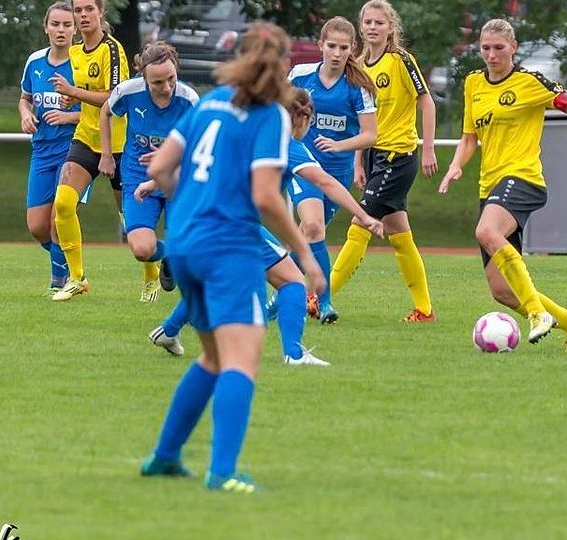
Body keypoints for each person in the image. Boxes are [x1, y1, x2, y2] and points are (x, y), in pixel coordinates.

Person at [138, 23, 326, 493]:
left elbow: (159, 167)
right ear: (283, 66)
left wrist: (189, 206)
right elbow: (265, 196)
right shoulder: (271, 115)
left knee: (214, 357)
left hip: (184, 242)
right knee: (241, 359)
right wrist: (305, 255)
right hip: (229, 248)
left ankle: (164, 457)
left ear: (238, 57)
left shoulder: (209, 103)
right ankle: (222, 471)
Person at [147, 88, 384, 366]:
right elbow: (325, 182)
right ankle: (293, 354)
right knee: (292, 281)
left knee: (214, 282)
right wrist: (364, 216)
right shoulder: (286, 145)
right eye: (310, 120)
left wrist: (152, 183)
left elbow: (201, 162)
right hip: (234, 223)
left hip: (203, 216)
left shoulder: (247, 132)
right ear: (302, 118)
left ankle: (169, 330)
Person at [439, 19, 567, 352]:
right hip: (490, 186)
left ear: (513, 47)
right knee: (502, 291)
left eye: (499, 48)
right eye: (485, 48)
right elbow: (469, 138)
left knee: (486, 231)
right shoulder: (473, 83)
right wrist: (456, 166)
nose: (492, 55)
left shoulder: (530, 82)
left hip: (523, 178)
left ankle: (538, 314)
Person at [330, 0, 439, 323]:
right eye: (368, 22)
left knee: (360, 223)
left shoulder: (400, 60)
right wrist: (358, 162)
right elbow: (363, 121)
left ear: (391, 27)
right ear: (361, 26)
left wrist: (428, 148)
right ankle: (424, 310)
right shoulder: (358, 65)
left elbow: (427, 103)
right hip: (374, 156)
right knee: (400, 235)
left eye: (379, 22)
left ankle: (319, 297)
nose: (373, 27)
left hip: (398, 157)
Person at [287, 16, 378, 324]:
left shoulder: (357, 86)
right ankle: (325, 303)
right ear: (320, 45)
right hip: (302, 164)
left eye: (343, 48)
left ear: (353, 49)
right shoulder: (300, 76)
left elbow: (370, 135)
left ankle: (282, 297)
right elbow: (277, 109)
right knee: (313, 227)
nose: (337, 53)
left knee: (305, 236)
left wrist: (339, 146)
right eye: (331, 46)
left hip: (337, 172)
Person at [99, 42, 199, 302]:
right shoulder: (128, 91)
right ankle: (167, 256)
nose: (166, 87)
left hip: (177, 181)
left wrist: (170, 157)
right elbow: (105, 112)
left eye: (171, 78)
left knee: (186, 247)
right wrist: (106, 155)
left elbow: (200, 147)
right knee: (142, 249)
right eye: (157, 82)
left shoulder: (189, 99)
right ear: (143, 77)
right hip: (137, 176)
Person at [49, 0, 130, 302]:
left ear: (100, 12)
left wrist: (73, 92)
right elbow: (88, 97)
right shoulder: (74, 52)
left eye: (88, 9)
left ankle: (152, 277)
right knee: (63, 204)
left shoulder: (112, 50)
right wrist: (74, 100)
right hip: (85, 138)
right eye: (78, 10)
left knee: (131, 221)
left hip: (119, 144)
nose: (83, 15)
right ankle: (77, 278)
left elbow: (114, 98)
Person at [19, 2, 81, 295]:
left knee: (59, 217)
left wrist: (69, 117)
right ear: (46, 27)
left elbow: (101, 109)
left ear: (75, 29)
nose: (61, 30)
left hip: (75, 150)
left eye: (67, 25)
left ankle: (60, 282)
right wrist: (25, 114)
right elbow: (25, 98)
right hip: (42, 150)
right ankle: (70, 261)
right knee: (37, 226)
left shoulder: (81, 64)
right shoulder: (35, 62)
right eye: (55, 24)